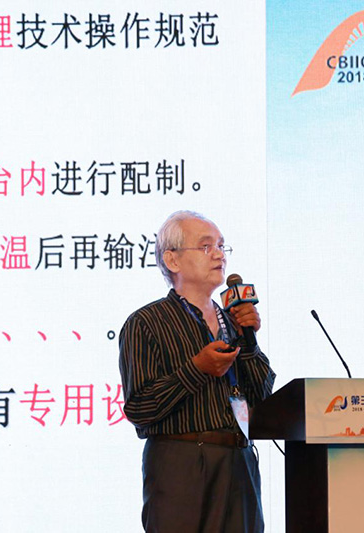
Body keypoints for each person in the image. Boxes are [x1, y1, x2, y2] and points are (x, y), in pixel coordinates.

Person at [119, 210, 276, 533]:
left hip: (240, 462)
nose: (219, 254)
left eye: (221, 246)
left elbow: (262, 397)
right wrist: (196, 370)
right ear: (172, 260)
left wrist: (249, 342)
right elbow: (140, 409)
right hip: (182, 465)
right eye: (206, 246)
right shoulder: (146, 322)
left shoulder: (233, 322)